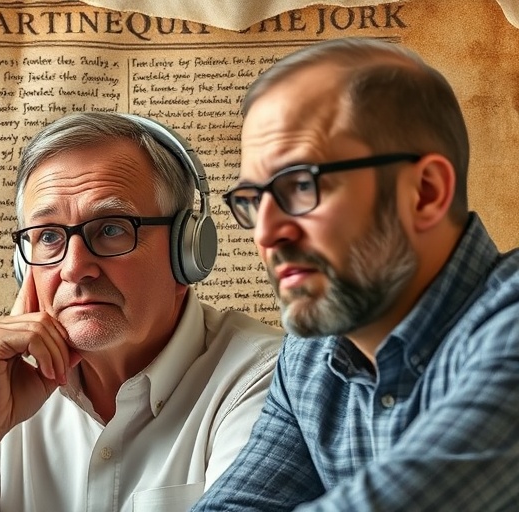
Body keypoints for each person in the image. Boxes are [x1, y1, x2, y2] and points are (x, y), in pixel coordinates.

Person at [192, 37, 519, 511]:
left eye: (300, 185)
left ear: (424, 192)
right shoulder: (307, 361)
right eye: (253, 200)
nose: (266, 233)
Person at [0, 112, 282, 512]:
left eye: (112, 228)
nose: (74, 268)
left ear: (188, 251)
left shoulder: (268, 381)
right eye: (48, 237)